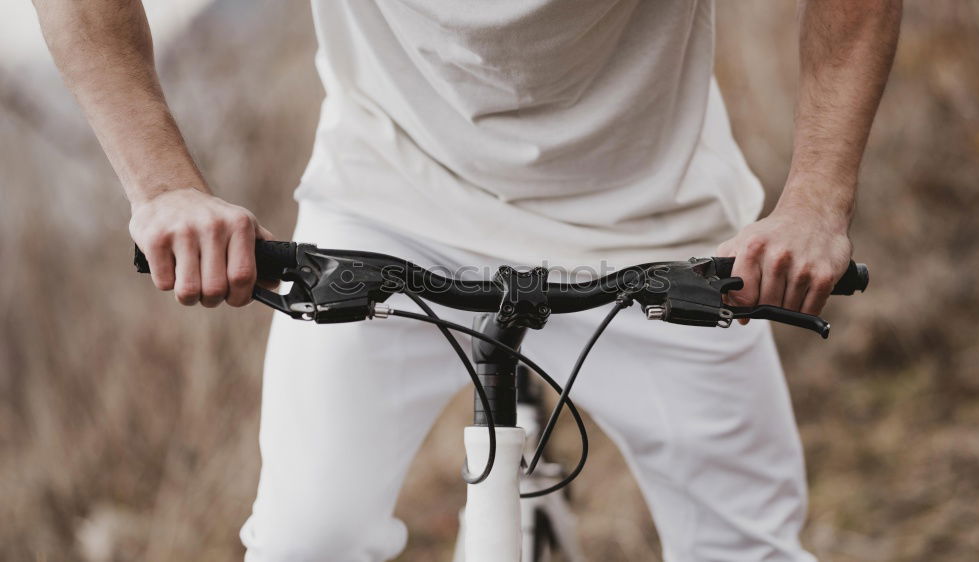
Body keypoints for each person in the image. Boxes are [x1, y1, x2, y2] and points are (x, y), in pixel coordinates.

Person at [33, 0, 901, 560]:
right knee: (306, 543)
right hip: (386, 205)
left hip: (657, 220)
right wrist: (164, 187)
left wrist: (815, 201)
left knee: (744, 550)